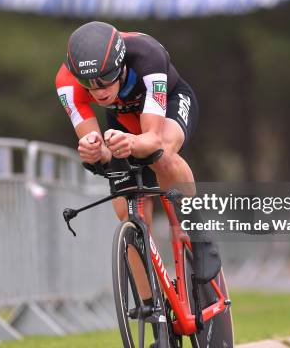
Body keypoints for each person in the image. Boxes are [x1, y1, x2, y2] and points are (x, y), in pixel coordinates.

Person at [55, 21, 200, 305]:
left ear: (121, 65)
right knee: (127, 211)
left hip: (166, 104)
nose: (98, 91)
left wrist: (131, 143)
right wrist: (94, 151)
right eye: (89, 83)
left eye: (106, 78)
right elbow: (98, 150)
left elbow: (153, 139)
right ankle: (149, 304)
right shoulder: (66, 83)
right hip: (122, 120)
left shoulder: (147, 55)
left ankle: (195, 229)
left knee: (162, 156)